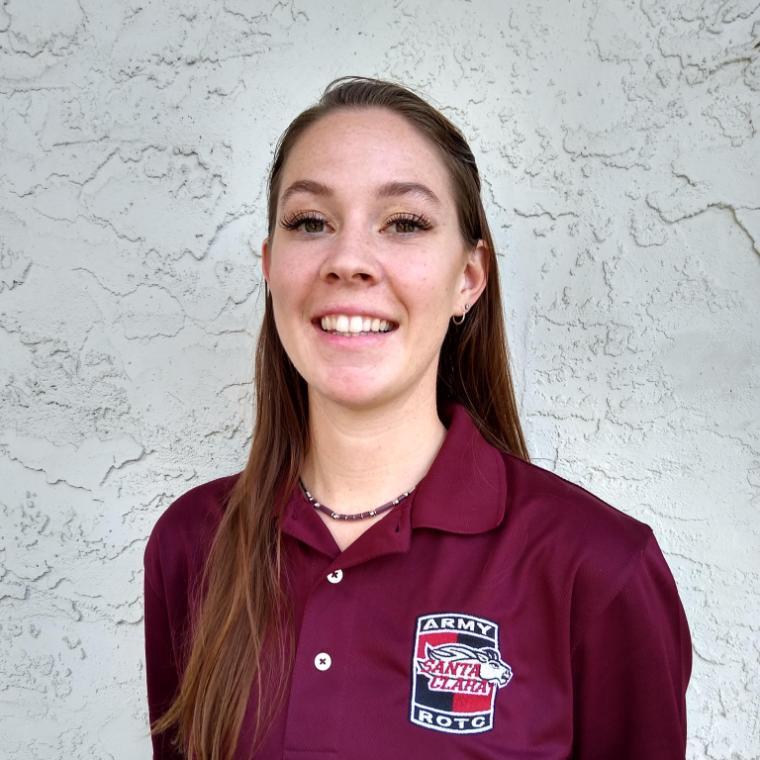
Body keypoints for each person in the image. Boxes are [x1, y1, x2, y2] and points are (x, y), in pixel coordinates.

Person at [143, 76, 692, 760]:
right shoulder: (191, 545)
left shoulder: (599, 568)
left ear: (469, 277)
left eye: (404, 223)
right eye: (310, 222)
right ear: (270, 265)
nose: (347, 261)